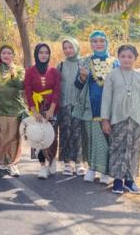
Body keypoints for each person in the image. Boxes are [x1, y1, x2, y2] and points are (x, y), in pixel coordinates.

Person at [101, 45, 140, 195]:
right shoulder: (112, 75)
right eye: (123, 56)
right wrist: (105, 119)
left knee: (134, 150)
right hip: (118, 119)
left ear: (135, 59)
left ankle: (130, 181)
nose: (126, 59)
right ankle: (118, 181)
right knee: (117, 149)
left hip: (137, 120)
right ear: (118, 57)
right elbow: (106, 99)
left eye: (130, 57)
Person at [74, 30, 118, 184]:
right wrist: (83, 77)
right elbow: (77, 85)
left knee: (108, 139)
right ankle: (92, 168)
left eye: (101, 41)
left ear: (106, 42)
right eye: (94, 41)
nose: (98, 44)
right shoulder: (85, 62)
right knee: (90, 138)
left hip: (110, 109)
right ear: (90, 44)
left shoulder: (115, 62)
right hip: (90, 108)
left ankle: (106, 171)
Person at [0, 45, 26, 177]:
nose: (6, 56)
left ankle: (12, 163)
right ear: (0, 56)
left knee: (13, 136)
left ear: (13, 56)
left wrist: (13, 72)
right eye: (4, 53)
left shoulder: (19, 69)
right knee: (2, 134)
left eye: (9, 53)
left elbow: (21, 85)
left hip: (14, 108)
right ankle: (2, 161)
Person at [24, 43, 61, 179]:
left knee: (52, 136)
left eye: (46, 52)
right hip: (37, 108)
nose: (44, 55)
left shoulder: (54, 71)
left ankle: (52, 160)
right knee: (38, 137)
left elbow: (57, 91)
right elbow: (28, 92)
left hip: (52, 107)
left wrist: (51, 109)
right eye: (41, 52)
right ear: (36, 54)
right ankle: (42, 166)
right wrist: (34, 111)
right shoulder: (30, 71)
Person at [57, 38, 85, 176]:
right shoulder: (60, 65)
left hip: (79, 104)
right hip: (64, 104)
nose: (68, 50)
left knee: (78, 133)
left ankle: (79, 162)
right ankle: (67, 162)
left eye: (70, 47)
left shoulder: (83, 63)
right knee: (65, 132)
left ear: (76, 47)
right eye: (65, 48)